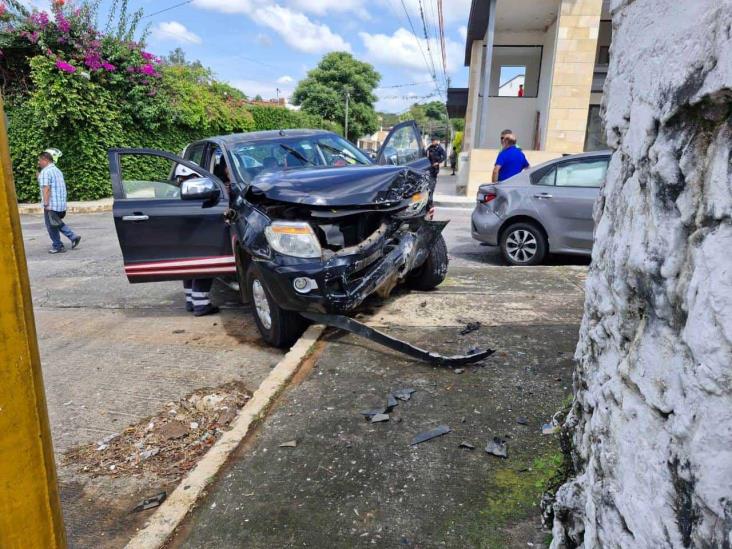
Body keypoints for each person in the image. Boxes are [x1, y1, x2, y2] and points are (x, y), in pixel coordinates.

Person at [174, 163, 220, 317]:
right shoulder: (195, 191)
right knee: (204, 266)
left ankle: (191, 301)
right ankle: (201, 305)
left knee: (189, 267)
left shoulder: (176, 191)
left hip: (183, 238)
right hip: (198, 237)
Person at [38, 151, 81, 254]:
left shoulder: (46, 172)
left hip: (51, 204)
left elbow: (46, 188)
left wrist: (46, 203)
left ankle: (58, 246)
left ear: (45, 160)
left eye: (39, 160)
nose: (38, 162)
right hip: (60, 204)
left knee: (51, 226)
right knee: (56, 223)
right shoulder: (57, 171)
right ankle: (72, 236)